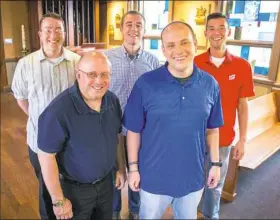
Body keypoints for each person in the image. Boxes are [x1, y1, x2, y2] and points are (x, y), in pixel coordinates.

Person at [123, 21, 224, 219]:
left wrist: (215, 164)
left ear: (196, 43)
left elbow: (213, 129)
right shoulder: (146, 84)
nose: (178, 50)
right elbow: (133, 131)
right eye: (170, 45)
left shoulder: (210, 84)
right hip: (153, 178)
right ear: (163, 50)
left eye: (184, 42)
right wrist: (133, 169)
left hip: (192, 178)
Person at [37, 52, 126, 219]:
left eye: (104, 74)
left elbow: (117, 136)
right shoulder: (57, 112)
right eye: (91, 74)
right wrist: (58, 201)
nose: (99, 81)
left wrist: (121, 167)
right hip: (74, 191)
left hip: (106, 184)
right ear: (78, 75)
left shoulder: (112, 101)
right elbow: (46, 156)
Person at [11, 12, 81, 219]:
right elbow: (21, 97)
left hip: (72, 141)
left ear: (65, 33)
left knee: (73, 184)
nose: (53, 34)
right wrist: (38, 118)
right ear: (40, 34)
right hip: (38, 139)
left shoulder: (77, 62)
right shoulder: (26, 64)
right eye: (48, 30)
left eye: (58, 29)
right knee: (45, 187)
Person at [195, 12, 255, 219]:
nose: (216, 32)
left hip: (223, 138)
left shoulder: (242, 66)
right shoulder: (195, 63)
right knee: (192, 182)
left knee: (214, 185)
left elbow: (243, 105)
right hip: (194, 137)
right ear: (205, 33)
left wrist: (243, 139)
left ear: (228, 32)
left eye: (221, 28)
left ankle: (211, 216)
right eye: (211, 28)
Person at [104, 10, 159, 220]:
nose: (133, 29)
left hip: (142, 130)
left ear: (144, 30)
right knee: (113, 172)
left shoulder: (153, 62)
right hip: (112, 128)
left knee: (139, 171)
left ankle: (135, 211)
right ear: (121, 29)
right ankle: (115, 211)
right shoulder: (107, 58)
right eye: (128, 24)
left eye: (138, 25)